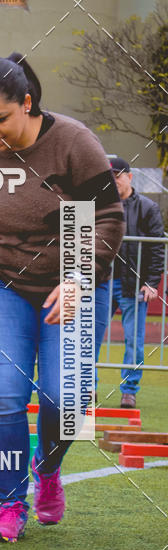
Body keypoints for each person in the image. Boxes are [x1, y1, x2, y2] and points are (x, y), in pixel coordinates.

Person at [0, 53, 124, 542]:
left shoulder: (74, 142)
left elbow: (107, 217)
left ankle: (48, 467)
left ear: (28, 103)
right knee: (3, 395)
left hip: (73, 279)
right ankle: (10, 503)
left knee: (66, 398)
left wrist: (79, 276)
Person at [106, 157, 164, 409]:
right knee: (88, 336)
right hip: (101, 282)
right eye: (108, 177)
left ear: (129, 177)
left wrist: (151, 282)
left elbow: (157, 248)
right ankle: (86, 387)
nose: (113, 181)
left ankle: (129, 391)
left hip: (133, 284)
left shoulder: (148, 207)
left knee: (134, 341)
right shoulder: (98, 205)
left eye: (117, 176)